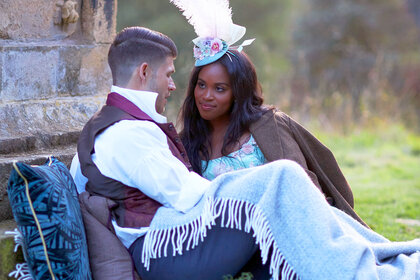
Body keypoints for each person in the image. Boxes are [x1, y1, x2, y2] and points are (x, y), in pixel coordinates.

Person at [70, 25, 420, 280]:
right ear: (145, 72)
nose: (174, 85)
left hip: (169, 237)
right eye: (169, 75)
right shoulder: (127, 133)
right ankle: (361, 272)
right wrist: (258, 186)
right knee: (279, 180)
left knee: (283, 184)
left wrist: (261, 187)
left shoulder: (121, 124)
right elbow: (186, 196)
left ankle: (376, 256)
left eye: (219, 88)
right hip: (162, 251)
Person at [178, 49, 367, 225]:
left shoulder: (268, 127)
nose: (206, 96)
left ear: (238, 92)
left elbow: (300, 183)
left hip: (278, 228)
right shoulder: (186, 141)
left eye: (219, 89)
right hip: (221, 236)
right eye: (201, 85)